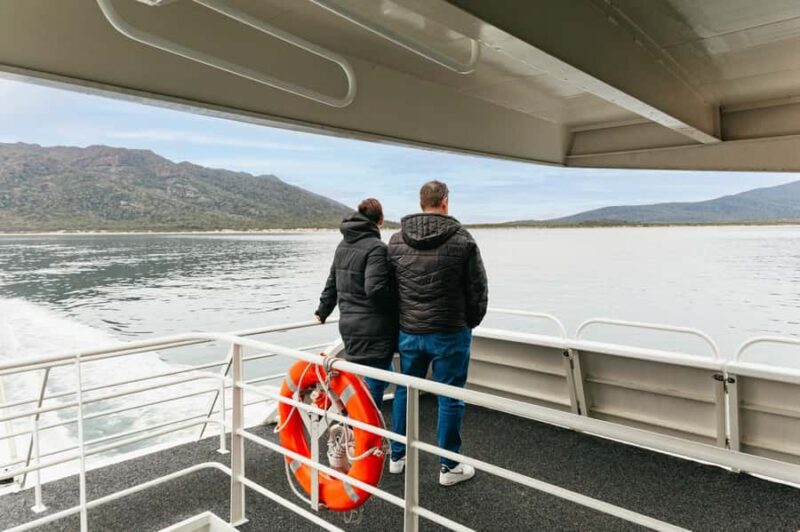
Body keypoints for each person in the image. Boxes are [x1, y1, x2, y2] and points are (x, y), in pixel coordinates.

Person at [387, 180, 488, 486]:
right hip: (450, 333)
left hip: (410, 332)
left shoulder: (395, 241)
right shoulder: (463, 239)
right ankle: (449, 467)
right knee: (449, 398)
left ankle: (396, 457)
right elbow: (478, 290)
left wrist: (401, 322)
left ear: (421, 204)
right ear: (445, 202)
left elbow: (389, 290)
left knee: (405, 390)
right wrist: (468, 322)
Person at [315, 198, 396, 408]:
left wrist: (322, 310)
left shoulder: (342, 245)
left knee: (371, 379)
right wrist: (397, 309)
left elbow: (332, 282)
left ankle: (357, 432)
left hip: (349, 327)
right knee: (375, 385)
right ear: (380, 220)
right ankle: (368, 436)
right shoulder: (377, 248)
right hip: (373, 329)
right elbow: (376, 290)